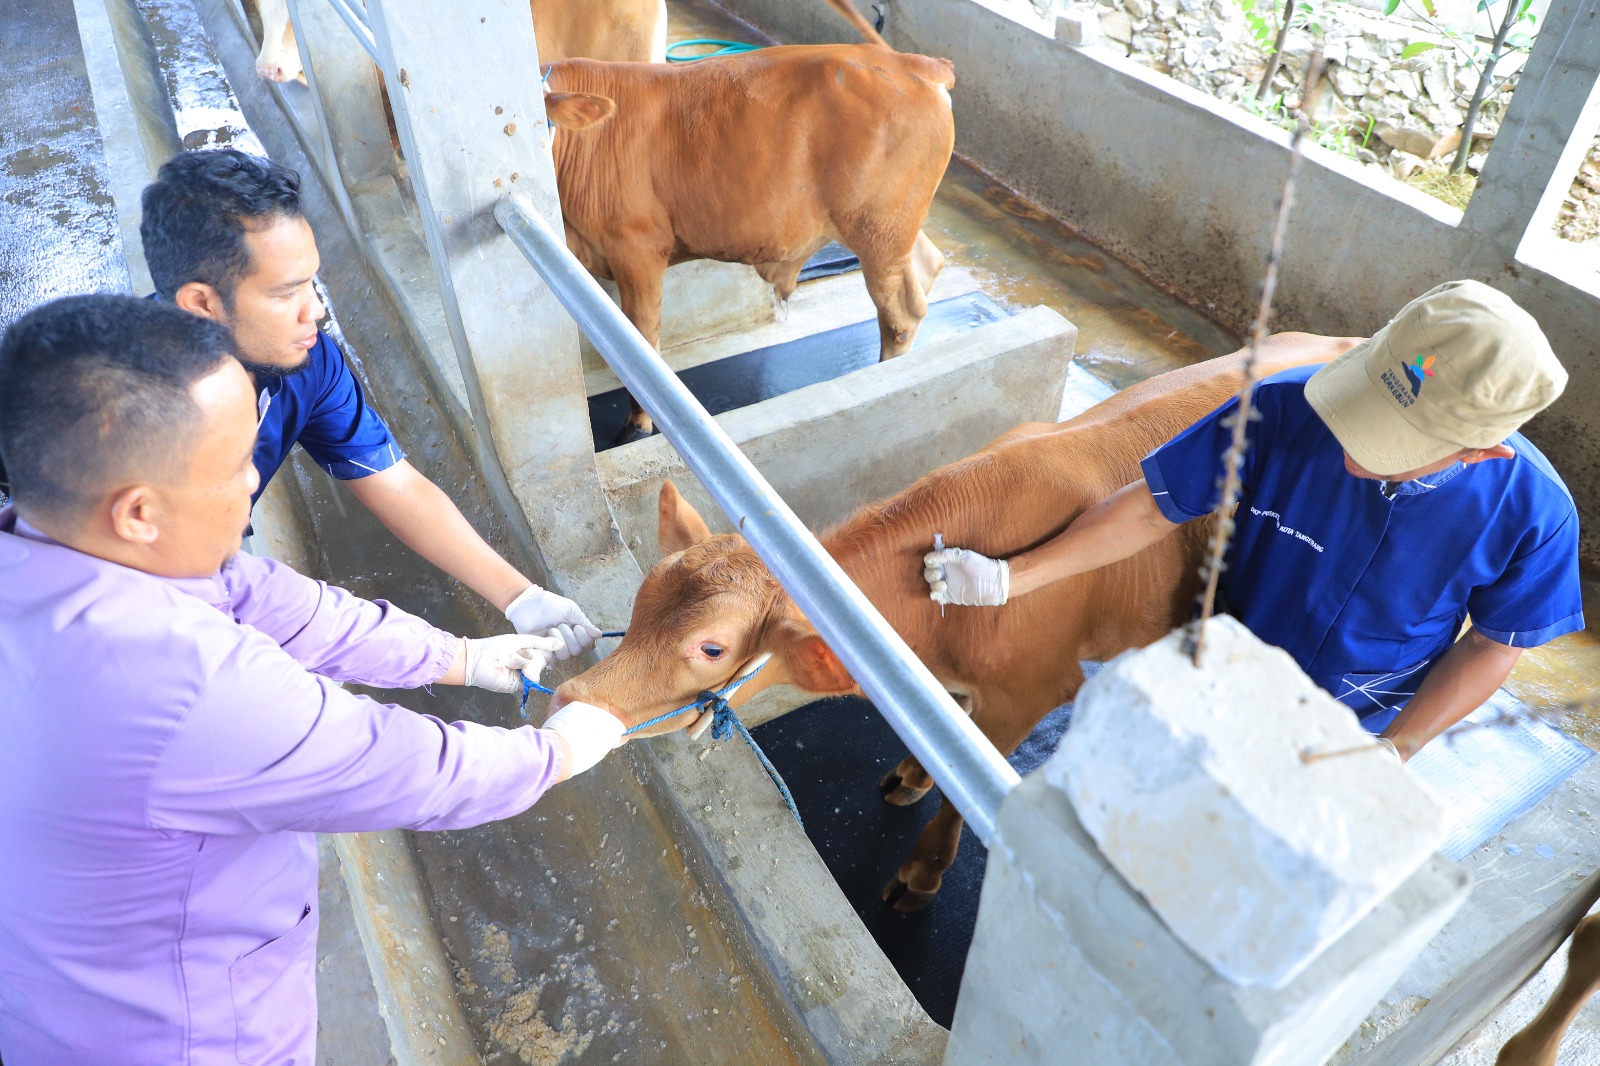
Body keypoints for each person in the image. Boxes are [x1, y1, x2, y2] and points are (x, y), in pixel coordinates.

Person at [0, 294, 627, 1063]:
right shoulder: (189, 687)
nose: (249, 486)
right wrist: (558, 750)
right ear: (137, 512)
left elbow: (273, 600)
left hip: (52, 986)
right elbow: (407, 768)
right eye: (236, 466)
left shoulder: (49, 548)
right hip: (181, 1034)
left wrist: (458, 656)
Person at [925, 281, 1583, 760]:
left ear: (1483, 451)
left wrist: (1394, 753)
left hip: (1356, 717)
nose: (1352, 459)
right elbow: (1152, 506)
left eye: (1392, 449)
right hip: (1222, 660)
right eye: (1361, 413)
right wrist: (1010, 577)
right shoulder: (1279, 410)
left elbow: (1495, 644)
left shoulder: (1535, 515)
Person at [138, 148, 598, 658]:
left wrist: (520, 598)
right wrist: (460, 662)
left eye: (312, 280)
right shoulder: (124, 420)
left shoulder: (307, 362)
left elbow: (395, 482)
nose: (316, 309)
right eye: (285, 293)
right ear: (202, 303)